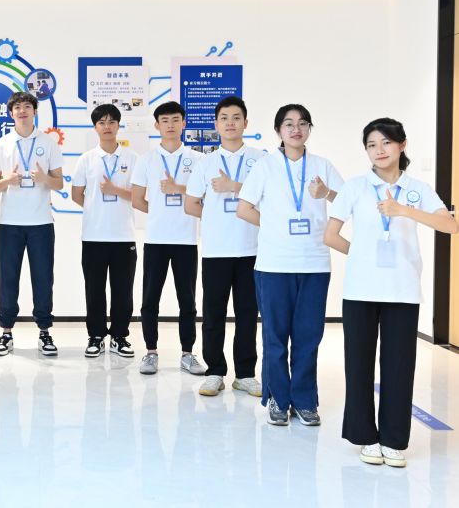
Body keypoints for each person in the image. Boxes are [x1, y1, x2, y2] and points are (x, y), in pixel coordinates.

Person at [324, 118, 458, 467]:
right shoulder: (355, 188)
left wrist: (404, 211)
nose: (379, 150)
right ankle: (365, 437)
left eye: (385, 142)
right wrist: (361, 256)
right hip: (360, 290)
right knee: (358, 365)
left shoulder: (418, 189)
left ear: (402, 145)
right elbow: (330, 235)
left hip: (403, 290)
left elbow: (450, 225)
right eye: (371, 145)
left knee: (399, 367)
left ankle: (394, 441)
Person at [237, 104, 343, 426]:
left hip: (315, 264)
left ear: (310, 128)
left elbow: (348, 202)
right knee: (275, 336)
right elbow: (244, 208)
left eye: (302, 123)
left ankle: (305, 400)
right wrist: (273, 228)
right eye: (288, 124)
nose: (296, 129)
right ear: (278, 130)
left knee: (309, 336)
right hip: (274, 264)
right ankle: (278, 399)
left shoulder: (322, 165)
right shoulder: (265, 166)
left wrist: (326, 192)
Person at [184, 96, 264, 397]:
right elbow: (191, 204)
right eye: (224, 118)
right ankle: (215, 371)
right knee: (213, 314)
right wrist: (215, 217)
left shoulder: (261, 160)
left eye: (236, 117)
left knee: (247, 314)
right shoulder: (205, 163)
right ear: (216, 125)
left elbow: (272, 198)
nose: (230, 123)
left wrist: (235, 187)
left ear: (246, 122)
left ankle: (245, 374)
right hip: (216, 250)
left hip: (252, 249)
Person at [0, 91, 64, 356]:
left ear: (34, 111)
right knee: (8, 278)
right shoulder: (2, 144)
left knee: (43, 278)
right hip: (10, 223)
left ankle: (44, 331)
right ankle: (6, 332)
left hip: (41, 222)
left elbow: (59, 182)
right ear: (11, 113)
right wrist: (8, 180)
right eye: (17, 107)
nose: (22, 111)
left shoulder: (48, 143)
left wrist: (44, 179)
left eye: (27, 106)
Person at [131, 101, 204, 375]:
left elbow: (204, 197)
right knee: (150, 299)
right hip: (156, 240)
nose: (170, 125)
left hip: (186, 239)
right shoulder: (146, 159)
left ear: (184, 123)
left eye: (175, 119)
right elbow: (137, 200)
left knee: (187, 300)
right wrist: (159, 214)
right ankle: (150, 352)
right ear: (157, 125)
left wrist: (178, 188)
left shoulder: (198, 159)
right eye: (165, 120)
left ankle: (188, 354)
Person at [71, 104, 139, 358]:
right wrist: (95, 209)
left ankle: (119, 337)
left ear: (118, 125)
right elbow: (77, 194)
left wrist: (114, 191)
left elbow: (139, 196)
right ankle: (96, 336)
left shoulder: (133, 158)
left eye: (111, 122)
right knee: (94, 290)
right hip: (94, 236)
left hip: (124, 236)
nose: (107, 127)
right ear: (95, 127)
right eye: (102, 122)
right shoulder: (87, 159)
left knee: (123, 290)